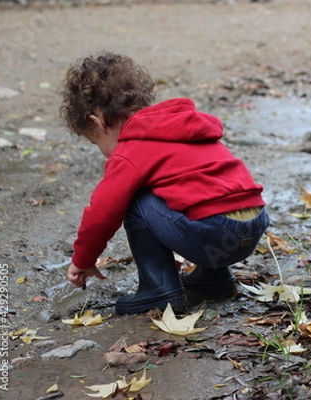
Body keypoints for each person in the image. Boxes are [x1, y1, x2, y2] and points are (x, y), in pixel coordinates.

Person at [60, 52, 269, 315]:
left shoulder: (131, 148)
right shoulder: (186, 126)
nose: (102, 150)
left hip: (212, 235)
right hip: (252, 228)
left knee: (133, 197)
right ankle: (214, 279)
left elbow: (102, 211)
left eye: (95, 142)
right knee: (201, 190)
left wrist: (83, 259)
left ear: (97, 122)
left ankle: (158, 290)